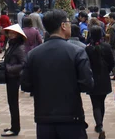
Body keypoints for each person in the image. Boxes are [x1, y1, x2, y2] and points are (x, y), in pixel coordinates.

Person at [21, 9, 93, 138]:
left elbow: (26, 85)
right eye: (68, 22)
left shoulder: (33, 54)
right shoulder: (77, 52)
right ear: (63, 26)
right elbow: (87, 84)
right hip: (71, 117)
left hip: (44, 118)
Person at [85, 25, 115, 139]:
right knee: (101, 102)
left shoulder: (88, 48)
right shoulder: (106, 47)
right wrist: (106, 71)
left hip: (93, 79)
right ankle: (100, 123)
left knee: (95, 103)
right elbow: (111, 62)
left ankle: (99, 124)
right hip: (104, 78)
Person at [2, 24, 27, 137]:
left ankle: (15, 128)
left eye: (13, 33)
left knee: (13, 103)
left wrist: (9, 68)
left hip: (14, 77)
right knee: (11, 102)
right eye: (10, 33)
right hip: (10, 77)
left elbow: (23, 64)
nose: (11, 35)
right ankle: (13, 125)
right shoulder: (12, 45)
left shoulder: (19, 47)